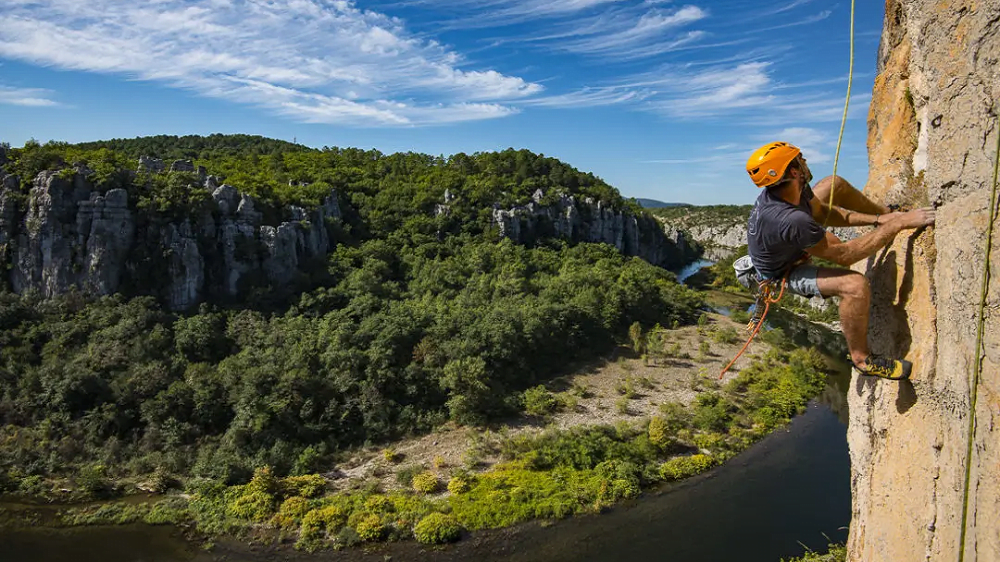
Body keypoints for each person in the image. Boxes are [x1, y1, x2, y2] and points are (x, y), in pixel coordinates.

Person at [735, 141, 936, 380]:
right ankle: (862, 359)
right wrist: (898, 224)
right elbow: (844, 255)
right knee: (855, 286)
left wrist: (879, 219)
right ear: (793, 171)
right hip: (781, 274)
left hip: (786, 247)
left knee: (834, 184)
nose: (806, 162)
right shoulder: (789, 218)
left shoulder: (790, 190)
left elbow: (822, 213)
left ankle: (884, 210)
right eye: (801, 160)